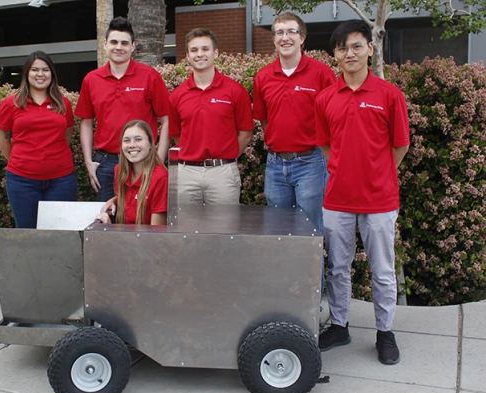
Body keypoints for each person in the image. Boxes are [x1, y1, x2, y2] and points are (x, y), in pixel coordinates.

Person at [315, 20, 410, 365]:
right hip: (337, 199)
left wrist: (377, 173)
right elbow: (325, 145)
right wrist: (344, 172)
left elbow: (400, 146)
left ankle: (385, 332)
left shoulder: (389, 95)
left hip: (379, 200)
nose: (349, 53)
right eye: (342, 48)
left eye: (356, 46)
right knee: (337, 268)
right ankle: (339, 325)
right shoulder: (326, 98)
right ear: (335, 55)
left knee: (382, 270)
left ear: (370, 48)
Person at [253, 12, 336, 234]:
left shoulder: (322, 74)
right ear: (273, 40)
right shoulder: (263, 77)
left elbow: (334, 119)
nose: (285, 37)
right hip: (275, 166)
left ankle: (312, 272)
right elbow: (264, 119)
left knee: (309, 233)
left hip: (311, 164)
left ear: (302, 37)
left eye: (291, 31)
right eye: (279, 32)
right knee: (278, 233)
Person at [76, 17, 170, 202]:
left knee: (144, 221)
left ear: (133, 46)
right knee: (107, 222)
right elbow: (86, 122)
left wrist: (158, 159)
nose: (119, 47)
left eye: (124, 43)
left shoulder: (150, 76)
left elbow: (167, 119)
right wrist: (88, 161)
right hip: (106, 163)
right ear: (105, 44)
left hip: (143, 160)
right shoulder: (91, 80)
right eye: (114, 42)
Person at [169, 28, 254, 205]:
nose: (200, 54)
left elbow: (245, 133)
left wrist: (226, 156)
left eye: (205, 49)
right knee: (186, 230)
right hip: (187, 174)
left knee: (224, 230)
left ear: (215, 52)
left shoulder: (236, 92)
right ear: (187, 55)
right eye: (194, 50)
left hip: (222, 173)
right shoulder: (177, 96)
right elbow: (177, 135)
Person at [0, 51, 77, 229]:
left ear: (52, 74)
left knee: (60, 233)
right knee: (27, 234)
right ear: (26, 73)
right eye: (35, 70)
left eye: (45, 70)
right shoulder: (11, 103)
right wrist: (21, 161)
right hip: (22, 181)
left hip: (62, 180)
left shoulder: (63, 103)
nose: (40, 74)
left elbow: (67, 133)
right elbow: (2, 138)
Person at [96, 120, 168, 225]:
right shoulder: (120, 171)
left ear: (151, 144)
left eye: (138, 139)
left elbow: (156, 233)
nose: (132, 145)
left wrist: (110, 229)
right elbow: (129, 197)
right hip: (123, 237)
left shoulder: (160, 178)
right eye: (126, 140)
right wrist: (114, 200)